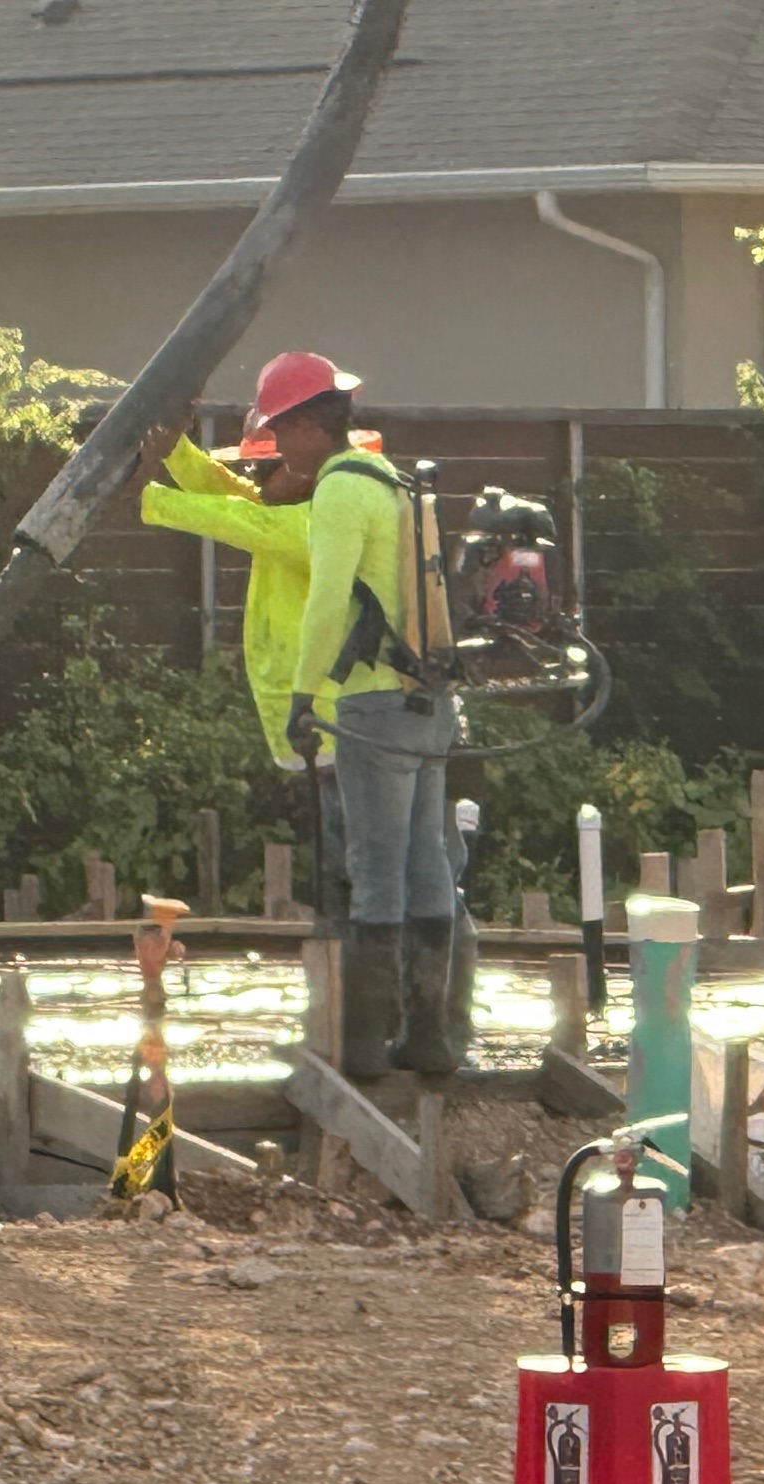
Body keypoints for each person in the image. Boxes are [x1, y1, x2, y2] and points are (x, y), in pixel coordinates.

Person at [270, 351, 460, 1078]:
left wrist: (302, 693)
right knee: (426, 861)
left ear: (310, 424)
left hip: (374, 707)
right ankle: (428, 1038)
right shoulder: (394, 482)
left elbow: (327, 602)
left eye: (281, 430)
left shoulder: (341, 492)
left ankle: (361, 1051)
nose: (278, 447)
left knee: (374, 869)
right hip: (430, 703)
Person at [138, 425, 383, 914]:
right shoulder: (297, 506)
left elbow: (244, 520)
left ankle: (356, 945)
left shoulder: (322, 523)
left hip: (340, 720)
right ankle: (347, 941)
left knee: (355, 857)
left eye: (263, 466)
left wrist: (150, 499)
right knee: (340, 847)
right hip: (319, 721)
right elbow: (233, 497)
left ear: (301, 467)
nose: (252, 476)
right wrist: (177, 454)